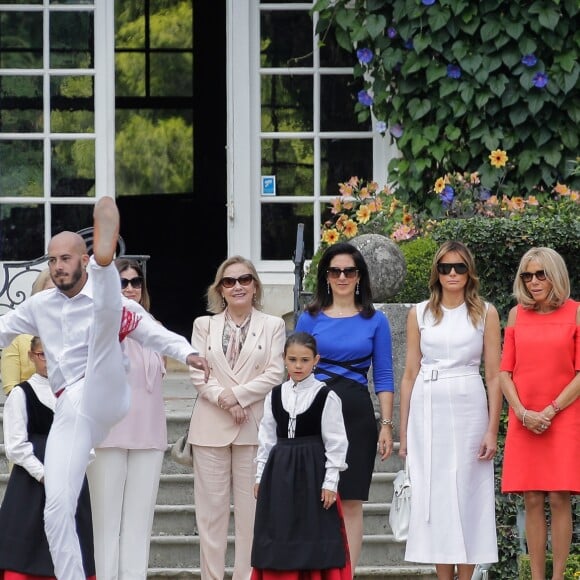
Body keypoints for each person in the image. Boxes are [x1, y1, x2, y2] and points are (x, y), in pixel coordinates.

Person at [0, 197, 210, 580]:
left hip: (109, 390)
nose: (58, 266)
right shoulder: (39, 305)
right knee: (57, 507)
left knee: (105, 325)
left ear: (81, 259)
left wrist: (189, 352)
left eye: (66, 258)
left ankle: (106, 266)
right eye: (52, 260)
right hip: (71, 409)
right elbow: (2, 331)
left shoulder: (113, 304)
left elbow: (155, 333)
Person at [398, 240, 502, 580]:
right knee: (437, 494)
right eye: (445, 267)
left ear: (469, 271)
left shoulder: (486, 312)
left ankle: (468, 575)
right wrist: (402, 432)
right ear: (436, 273)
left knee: (469, 491)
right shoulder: (419, 313)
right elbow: (410, 373)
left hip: (470, 402)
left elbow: (494, 374)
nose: (452, 273)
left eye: (459, 267)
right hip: (428, 408)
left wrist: (492, 429)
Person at [295, 241, 395, 575]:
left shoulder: (375, 320)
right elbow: (294, 369)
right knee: (313, 498)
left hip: (356, 413)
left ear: (359, 277)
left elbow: (383, 373)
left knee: (350, 501)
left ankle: (346, 574)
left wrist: (386, 424)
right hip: (314, 408)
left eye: (348, 271)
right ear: (325, 275)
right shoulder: (308, 318)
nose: (341, 276)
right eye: (335, 270)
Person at [188, 255, 287, 580]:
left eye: (244, 279)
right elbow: (198, 373)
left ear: (255, 285)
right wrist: (225, 400)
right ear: (220, 289)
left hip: (253, 428)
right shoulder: (205, 325)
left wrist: (238, 396)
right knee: (211, 518)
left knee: (251, 518)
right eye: (229, 282)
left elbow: (275, 372)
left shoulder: (273, 325)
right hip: (210, 428)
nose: (237, 286)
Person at [499, 247, 579, 580]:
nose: (533, 282)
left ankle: (558, 577)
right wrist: (521, 411)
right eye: (527, 276)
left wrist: (550, 410)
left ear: (555, 275)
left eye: (540, 274)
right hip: (524, 418)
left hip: (563, 416)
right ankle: (535, 577)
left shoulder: (576, 313)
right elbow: (505, 372)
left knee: (559, 497)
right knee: (531, 497)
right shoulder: (517, 314)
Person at [86, 258, 167, 580]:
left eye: (136, 282)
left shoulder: (154, 327)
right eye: (123, 282)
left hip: (149, 435)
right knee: (105, 525)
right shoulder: (97, 323)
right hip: (107, 437)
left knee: (139, 524)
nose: (131, 288)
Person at [251, 331, 351, 580]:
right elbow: (267, 438)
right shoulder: (274, 395)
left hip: (313, 472)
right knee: (279, 530)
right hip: (279, 472)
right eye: (293, 359)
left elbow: (336, 442)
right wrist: (260, 475)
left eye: (305, 360)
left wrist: (330, 482)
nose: (298, 365)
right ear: (284, 358)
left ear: (316, 360)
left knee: (313, 532)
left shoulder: (326, 396)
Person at [0, 337, 96, 579]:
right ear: (32, 356)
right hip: (32, 484)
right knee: (28, 545)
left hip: (71, 481)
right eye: (43, 354)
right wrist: (44, 475)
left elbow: (88, 439)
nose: (50, 361)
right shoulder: (22, 394)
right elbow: (16, 445)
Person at [1, 269, 54, 395]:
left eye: (59, 293)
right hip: (30, 406)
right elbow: (11, 386)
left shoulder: (75, 328)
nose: (55, 298)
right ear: (37, 295)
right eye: (49, 292)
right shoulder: (17, 334)